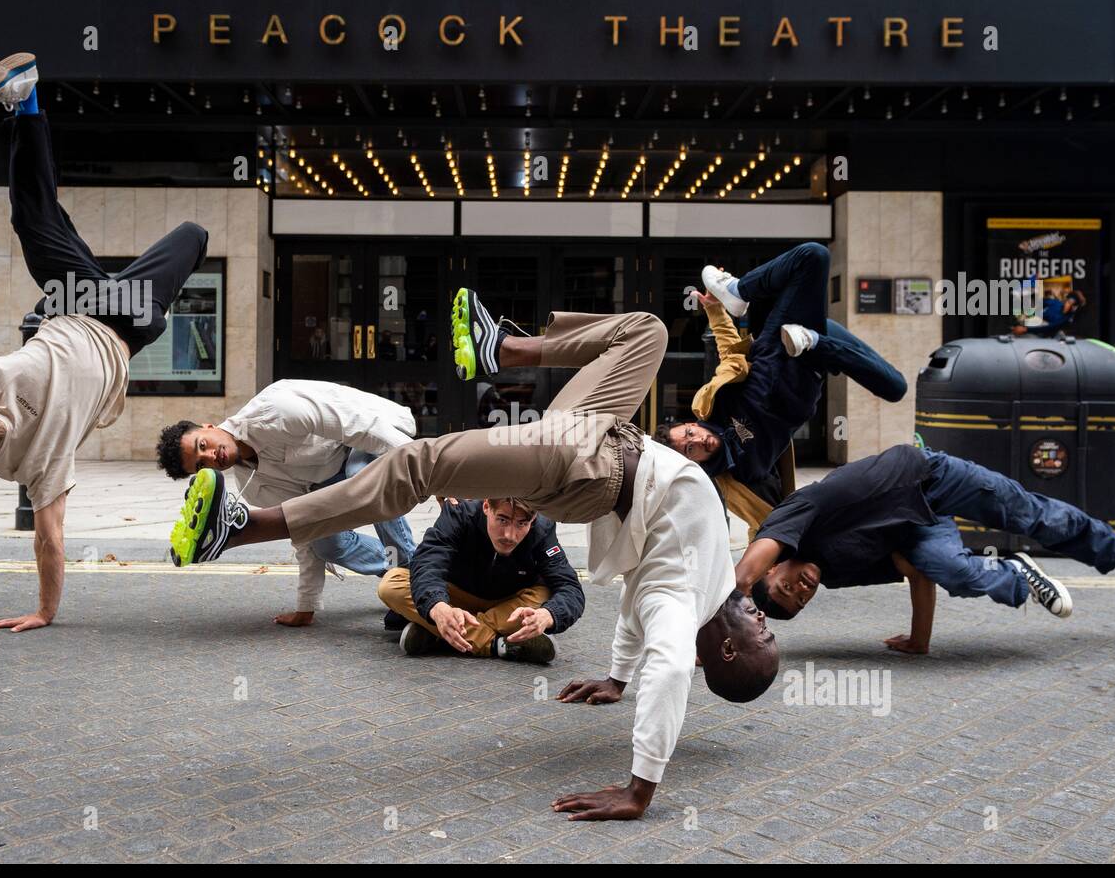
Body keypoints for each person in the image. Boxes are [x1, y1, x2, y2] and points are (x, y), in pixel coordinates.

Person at [164, 287, 778, 820]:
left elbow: (669, 667)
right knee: (648, 330)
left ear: (727, 649)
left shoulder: (680, 604)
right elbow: (633, 626)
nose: (765, 624)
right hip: (604, 428)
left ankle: (243, 527)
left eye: (762, 640)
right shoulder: (716, 581)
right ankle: (503, 350)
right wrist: (617, 679)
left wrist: (641, 788)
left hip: (586, 464)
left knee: (418, 462)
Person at [0, 51, 208, 632]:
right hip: (126, 323)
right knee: (193, 234)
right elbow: (50, 535)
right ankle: (16, 111)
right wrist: (45, 610)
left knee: (35, 221)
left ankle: (25, 104)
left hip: (75, 304)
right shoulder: (30, 465)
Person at [734, 443, 1115, 653]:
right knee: (955, 570)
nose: (802, 588)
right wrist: (920, 640)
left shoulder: (791, 520)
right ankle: (1016, 573)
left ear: (774, 569)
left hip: (933, 479)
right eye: (800, 600)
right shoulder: (839, 572)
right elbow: (915, 570)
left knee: (1030, 514)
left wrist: (720, 616)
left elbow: (748, 568)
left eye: (787, 586)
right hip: (922, 529)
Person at [656, 243, 907, 533]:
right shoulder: (739, 475)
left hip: (779, 345)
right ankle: (813, 339)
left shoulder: (712, 406)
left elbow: (729, 356)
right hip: (811, 364)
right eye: (690, 449)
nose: (698, 441)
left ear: (690, 424)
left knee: (812, 256)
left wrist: (716, 312)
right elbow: (766, 522)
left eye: (690, 434)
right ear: (693, 462)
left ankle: (738, 291)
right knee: (895, 387)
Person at [155, 378, 417, 629]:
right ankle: (418, 570)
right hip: (329, 476)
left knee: (364, 477)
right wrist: (306, 606)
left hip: (376, 435)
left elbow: (363, 426)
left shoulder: (276, 409)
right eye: (201, 464)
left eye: (203, 445)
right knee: (326, 544)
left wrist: (430, 470)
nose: (212, 456)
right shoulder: (256, 488)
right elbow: (302, 526)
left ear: (208, 426)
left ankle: (413, 582)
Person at [379, 497, 585, 664]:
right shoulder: (459, 512)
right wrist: (437, 606)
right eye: (502, 519)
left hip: (509, 604)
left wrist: (549, 615)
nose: (509, 535)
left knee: (546, 593)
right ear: (486, 506)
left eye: (521, 524)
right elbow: (428, 560)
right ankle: (499, 644)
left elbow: (569, 586)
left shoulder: (542, 528)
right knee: (392, 584)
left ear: (533, 520)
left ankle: (440, 634)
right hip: (455, 597)